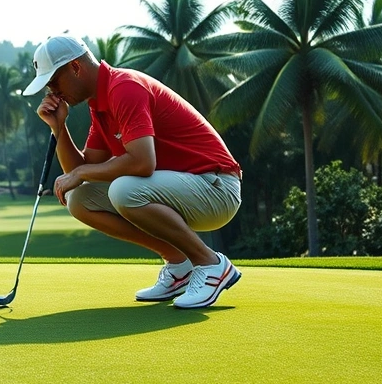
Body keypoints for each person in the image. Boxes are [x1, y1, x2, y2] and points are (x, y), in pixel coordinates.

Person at [23, 35, 242, 309]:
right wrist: (58, 127)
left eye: (53, 82)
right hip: (187, 189)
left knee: (123, 189)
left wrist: (82, 173)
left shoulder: (124, 88)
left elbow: (142, 162)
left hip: (216, 187)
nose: (52, 93)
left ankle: (210, 264)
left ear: (75, 68)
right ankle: (179, 264)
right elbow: (79, 173)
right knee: (80, 200)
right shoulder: (100, 105)